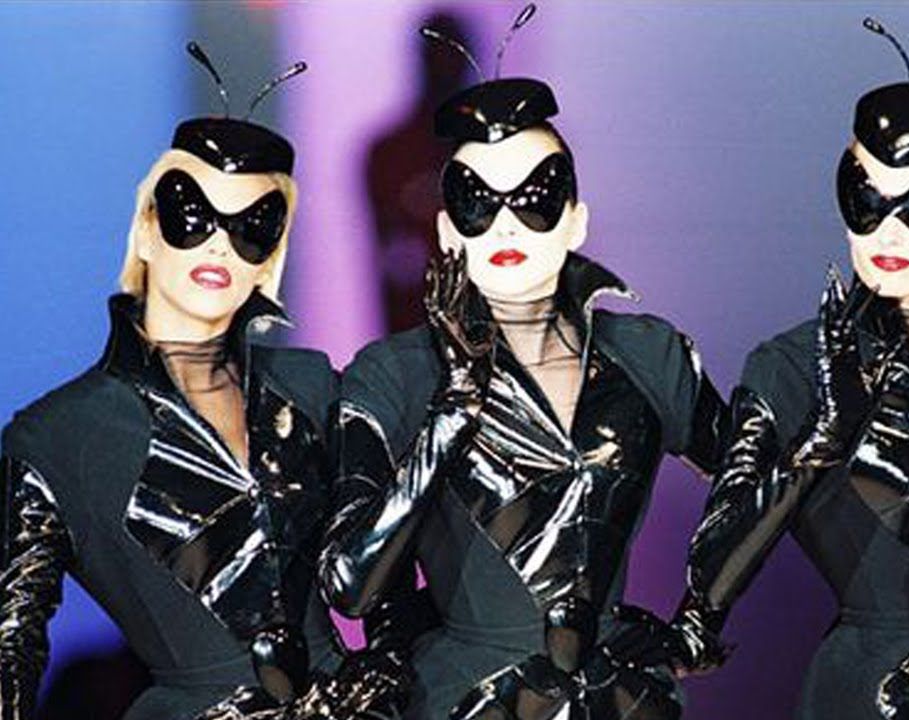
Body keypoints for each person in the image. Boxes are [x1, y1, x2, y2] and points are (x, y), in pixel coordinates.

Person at [319, 8, 725, 719]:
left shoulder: (647, 353)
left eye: (536, 198)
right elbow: (348, 583)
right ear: (447, 230)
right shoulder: (392, 375)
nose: (506, 222)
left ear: (576, 219)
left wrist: (701, 613)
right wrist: (450, 416)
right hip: (467, 698)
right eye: (477, 203)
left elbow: (773, 474)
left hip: (617, 697)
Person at [658, 18, 909, 720]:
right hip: (870, 691)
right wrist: (819, 444)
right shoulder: (791, 368)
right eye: (865, 200)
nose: (888, 230)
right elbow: (712, 566)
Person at [0, 44, 409, 720]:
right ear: (146, 230)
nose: (220, 243)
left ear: (269, 261)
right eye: (191, 214)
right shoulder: (57, 439)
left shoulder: (313, 388)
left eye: (253, 228)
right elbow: (11, 647)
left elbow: (392, 568)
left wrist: (388, 672)